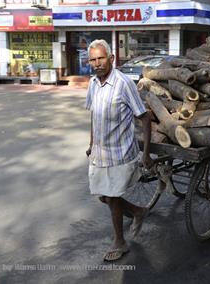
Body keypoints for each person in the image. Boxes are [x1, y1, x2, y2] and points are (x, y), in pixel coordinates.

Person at [85, 39, 154, 261]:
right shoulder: (93, 83)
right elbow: (94, 116)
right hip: (100, 152)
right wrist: (90, 143)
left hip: (120, 152)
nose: (97, 63)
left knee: (112, 198)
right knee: (103, 197)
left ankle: (120, 242)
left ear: (111, 59)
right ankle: (137, 211)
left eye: (101, 58)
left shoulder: (124, 84)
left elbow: (145, 117)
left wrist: (145, 154)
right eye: (93, 60)